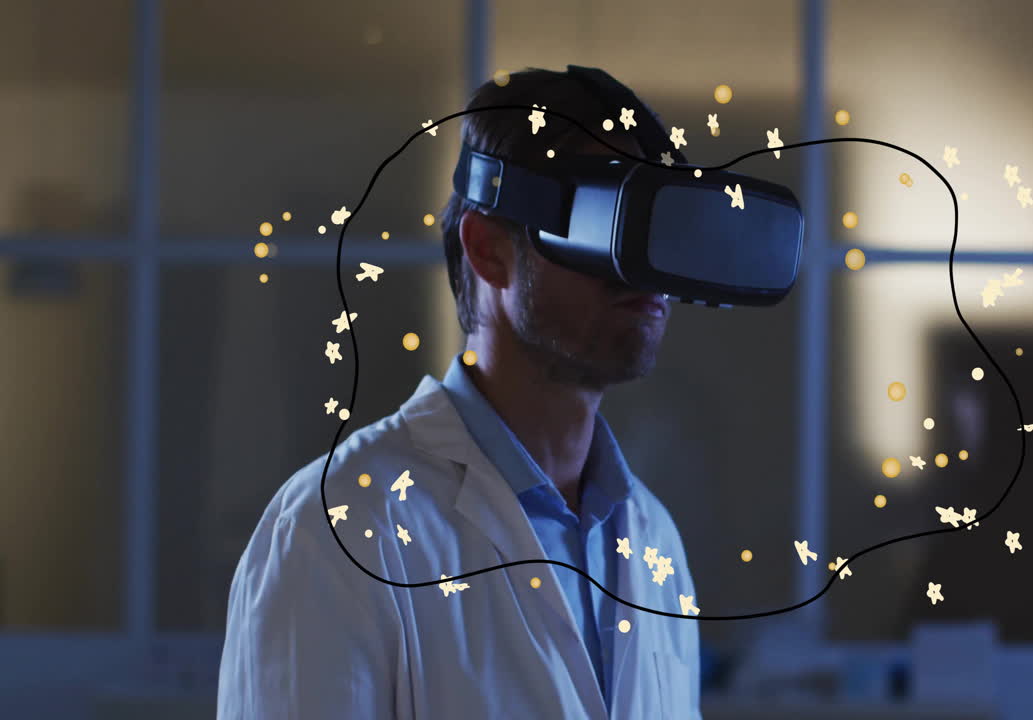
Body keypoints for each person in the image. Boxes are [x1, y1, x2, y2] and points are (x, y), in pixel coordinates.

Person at [217, 66, 702, 719]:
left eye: (653, 230)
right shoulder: (337, 530)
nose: (641, 268)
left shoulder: (653, 540)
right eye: (605, 220)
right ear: (489, 249)